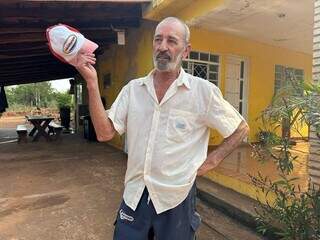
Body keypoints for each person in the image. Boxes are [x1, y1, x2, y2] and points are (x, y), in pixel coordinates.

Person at [75, 17, 249, 240]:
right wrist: (91, 83)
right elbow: (104, 132)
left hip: (175, 198)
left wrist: (211, 161)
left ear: (186, 51)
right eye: (158, 39)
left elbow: (240, 128)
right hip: (134, 195)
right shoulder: (133, 90)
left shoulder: (202, 92)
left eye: (171, 41)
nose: (163, 47)